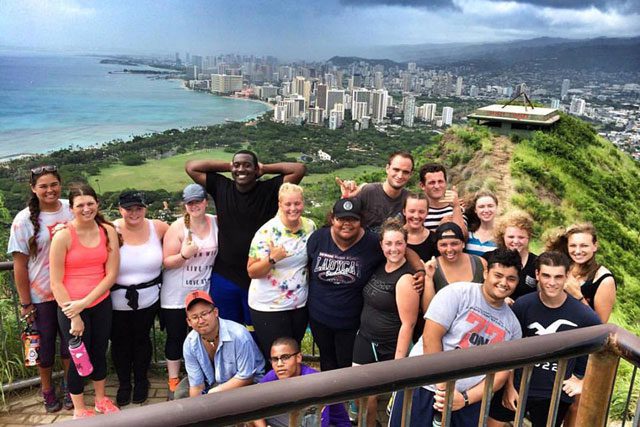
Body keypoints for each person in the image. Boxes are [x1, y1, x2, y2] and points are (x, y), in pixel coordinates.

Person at [389, 248, 523, 427]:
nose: (503, 282)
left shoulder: (513, 326)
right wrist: (444, 387)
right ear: (485, 273)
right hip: (423, 387)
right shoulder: (457, 293)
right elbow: (431, 337)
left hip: (466, 403)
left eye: (511, 278)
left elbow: (500, 375)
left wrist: (465, 399)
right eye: (498, 275)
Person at [185, 150, 305, 331]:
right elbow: (191, 167)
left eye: (247, 165)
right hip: (226, 275)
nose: (242, 169)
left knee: (256, 330)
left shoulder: (269, 190)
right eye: (237, 165)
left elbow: (299, 169)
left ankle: (257, 360)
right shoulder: (221, 186)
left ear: (256, 169)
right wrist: (231, 167)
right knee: (226, 329)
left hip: (260, 275)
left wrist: (263, 169)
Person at [306, 198, 425, 373]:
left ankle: (346, 399)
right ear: (333, 219)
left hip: (350, 322)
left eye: (353, 219)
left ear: (360, 220)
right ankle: (332, 400)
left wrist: (420, 270)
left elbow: (401, 248)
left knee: (347, 366)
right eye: (341, 219)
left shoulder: (371, 242)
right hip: (319, 318)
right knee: (327, 360)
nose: (347, 224)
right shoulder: (319, 238)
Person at [487, 251, 601, 427]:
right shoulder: (523, 305)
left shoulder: (584, 315)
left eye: (558, 277)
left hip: (554, 393)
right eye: (546, 275)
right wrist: (509, 386)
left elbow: (604, 348)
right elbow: (509, 349)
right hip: (518, 384)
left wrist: (582, 380)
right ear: (537, 275)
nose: (552, 283)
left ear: (567, 277)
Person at [49, 183, 120, 419]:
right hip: (70, 307)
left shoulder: (107, 231)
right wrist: (75, 312)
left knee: (99, 351)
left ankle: (101, 399)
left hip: (100, 302)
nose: (86, 209)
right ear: (71, 208)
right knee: (79, 356)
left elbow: (111, 274)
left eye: (90, 203)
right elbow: (56, 282)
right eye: (80, 205)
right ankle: (79, 408)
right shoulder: (63, 236)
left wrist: (86, 302)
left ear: (97, 204)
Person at [8, 165, 74, 412]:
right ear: (33, 189)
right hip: (41, 296)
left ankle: (70, 386)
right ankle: (46, 389)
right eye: (43, 186)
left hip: (69, 292)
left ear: (60, 184)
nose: (50, 190)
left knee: (70, 345)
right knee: (43, 349)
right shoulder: (23, 220)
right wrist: (26, 303)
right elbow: (19, 265)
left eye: (54, 184)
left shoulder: (71, 208)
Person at [545, 222, 616, 427]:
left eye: (584, 246)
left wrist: (578, 297)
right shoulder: (562, 267)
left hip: (582, 351)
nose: (578, 251)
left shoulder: (603, 279)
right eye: (573, 245)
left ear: (595, 246)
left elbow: (600, 326)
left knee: (575, 405)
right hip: (556, 342)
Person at [352, 219, 421, 427]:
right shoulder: (381, 266)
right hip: (365, 338)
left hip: (388, 345)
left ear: (405, 245)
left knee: (383, 397)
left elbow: (408, 323)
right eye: (389, 244)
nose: (394, 249)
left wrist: (399, 361)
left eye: (399, 243)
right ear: (381, 245)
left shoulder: (406, 279)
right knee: (361, 394)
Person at [110, 190, 168, 406]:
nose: (134, 213)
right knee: (119, 343)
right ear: (120, 210)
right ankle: (124, 383)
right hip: (116, 299)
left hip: (148, 299)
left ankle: (142, 381)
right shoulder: (109, 228)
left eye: (138, 208)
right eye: (129, 208)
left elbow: (184, 232)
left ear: (145, 208)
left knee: (142, 341)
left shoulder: (158, 227)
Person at [161, 183, 218, 400]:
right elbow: (166, 261)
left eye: (198, 201)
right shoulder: (177, 228)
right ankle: (173, 379)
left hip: (202, 293)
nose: (194, 206)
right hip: (176, 295)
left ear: (205, 201)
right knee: (176, 337)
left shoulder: (215, 222)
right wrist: (184, 255)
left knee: (203, 335)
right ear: (185, 205)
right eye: (190, 203)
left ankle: (200, 375)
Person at [247, 183, 316, 359]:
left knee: (293, 355)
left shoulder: (310, 227)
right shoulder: (266, 232)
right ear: (279, 204)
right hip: (269, 306)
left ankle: (295, 387)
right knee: (278, 358)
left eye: (297, 203)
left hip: (299, 305)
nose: (293, 208)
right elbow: (252, 271)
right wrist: (272, 259)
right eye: (288, 204)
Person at [176, 290, 265, 398]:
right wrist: (198, 410)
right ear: (189, 322)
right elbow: (197, 385)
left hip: (245, 383)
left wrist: (213, 393)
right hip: (212, 382)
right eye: (195, 317)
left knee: (226, 402)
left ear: (215, 312)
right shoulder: (189, 343)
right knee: (181, 394)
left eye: (204, 314)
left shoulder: (239, 335)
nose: (201, 320)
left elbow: (246, 377)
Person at [254, 337, 351, 427]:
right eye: (275, 359)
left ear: (298, 357)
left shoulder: (313, 382)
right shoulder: (274, 375)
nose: (279, 364)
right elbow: (254, 404)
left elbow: (319, 423)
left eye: (285, 357)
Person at [335, 151, 414, 231]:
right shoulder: (368, 191)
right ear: (387, 168)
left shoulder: (410, 200)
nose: (400, 176)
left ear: (411, 175)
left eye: (405, 172)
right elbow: (340, 219)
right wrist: (345, 198)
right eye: (396, 170)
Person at [485, 209, 537, 303]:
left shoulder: (537, 263)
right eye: (511, 237)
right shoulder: (488, 258)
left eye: (521, 237)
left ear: (529, 238)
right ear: (502, 236)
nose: (516, 241)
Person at [430, 222, 486, 293]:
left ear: (463, 244)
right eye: (443, 245)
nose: (449, 249)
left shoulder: (480, 263)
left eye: (454, 244)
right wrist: (428, 278)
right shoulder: (432, 267)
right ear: (437, 247)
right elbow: (428, 303)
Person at [418, 163, 466, 236]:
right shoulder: (418, 212)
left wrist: (456, 207)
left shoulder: (458, 208)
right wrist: (440, 229)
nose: (437, 186)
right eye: (432, 183)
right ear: (422, 186)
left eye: (440, 181)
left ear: (446, 183)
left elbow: (464, 238)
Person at [402, 192, 437, 261]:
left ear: (427, 213)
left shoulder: (434, 239)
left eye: (421, 212)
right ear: (404, 211)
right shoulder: (393, 237)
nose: (416, 216)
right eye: (412, 211)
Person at [464, 191, 499, 256]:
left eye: (490, 206)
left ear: (496, 207)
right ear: (475, 210)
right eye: (481, 207)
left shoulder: (502, 236)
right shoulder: (467, 234)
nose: (486, 210)